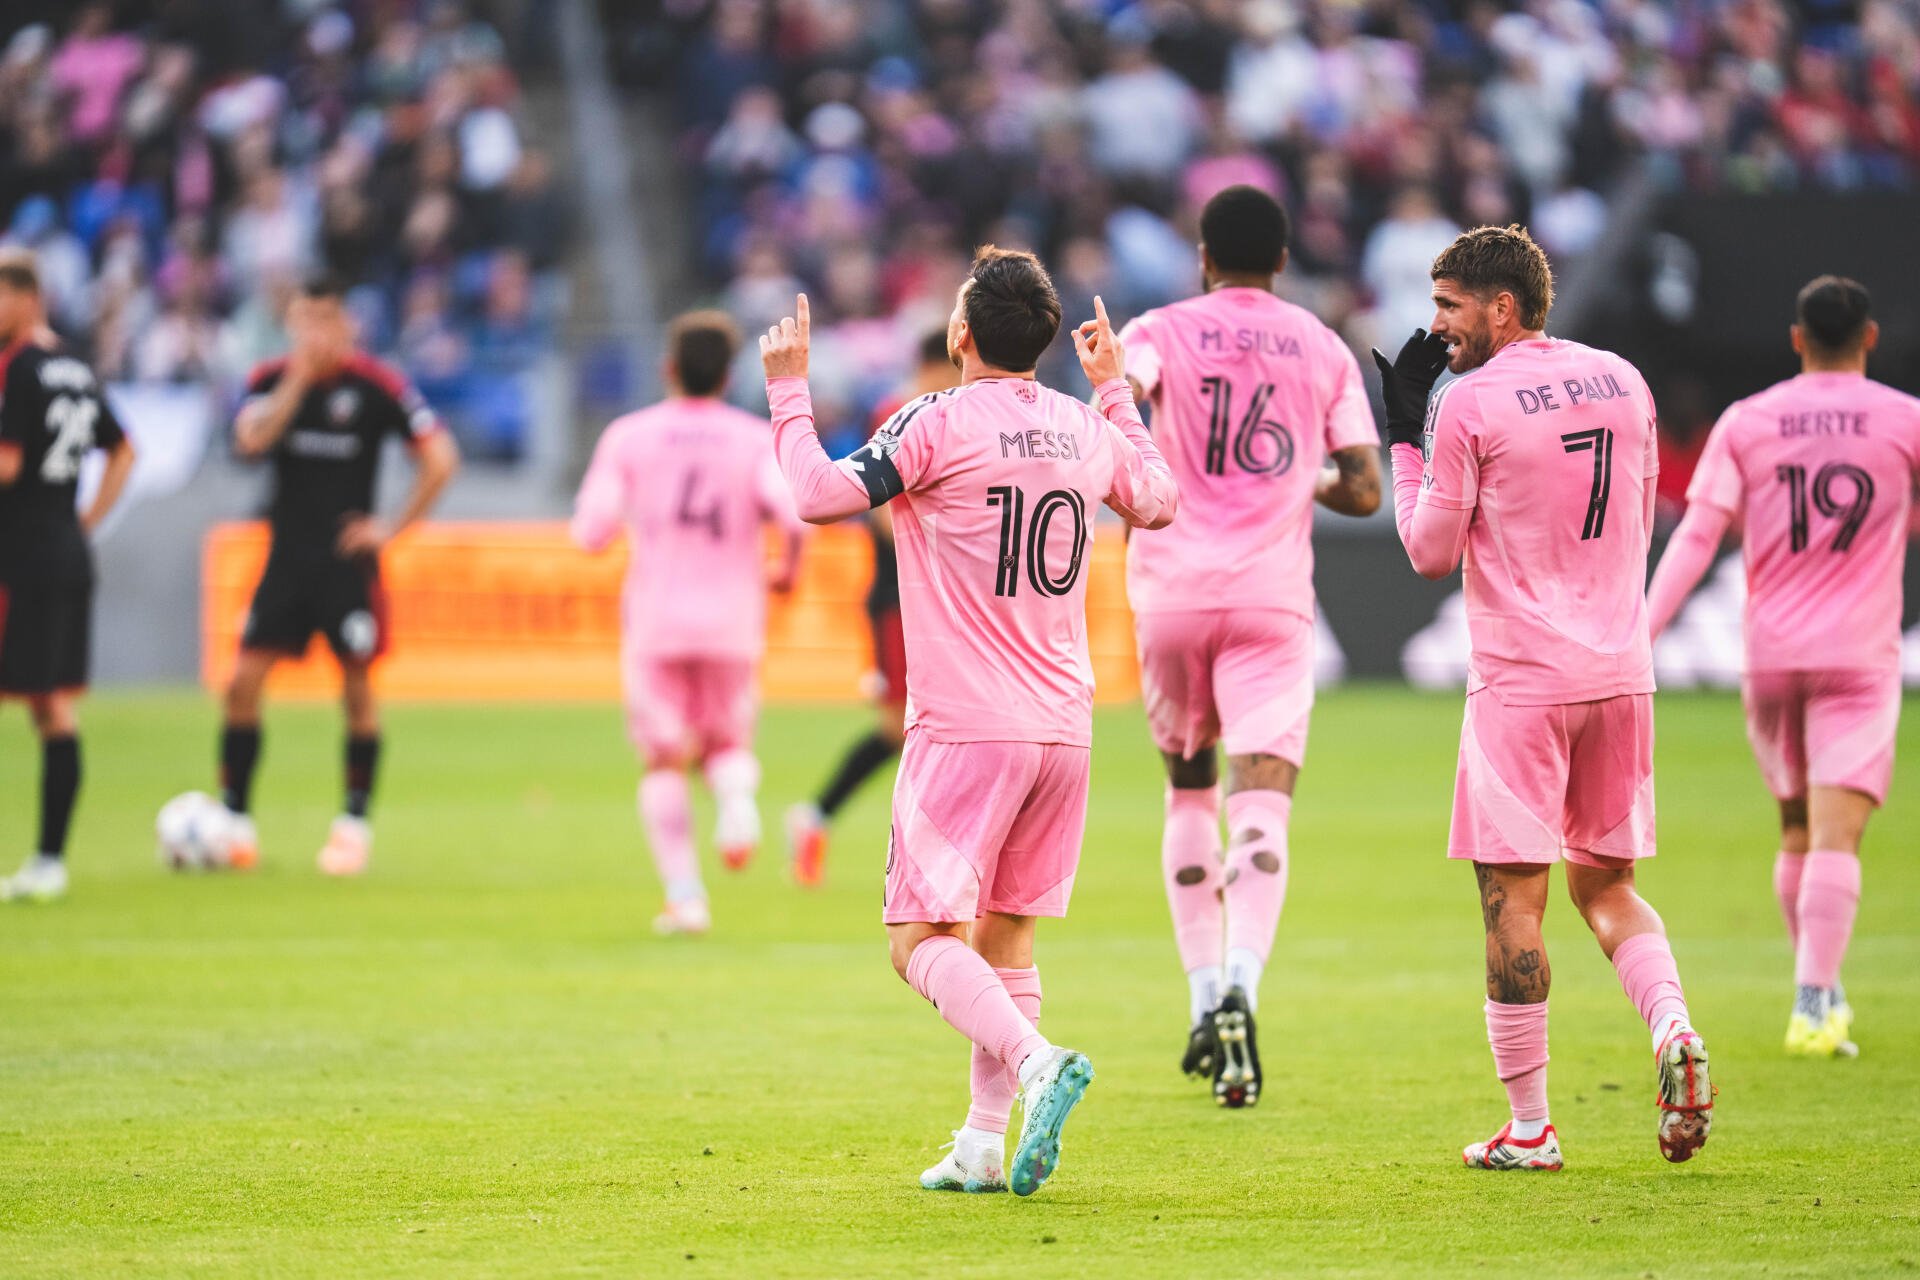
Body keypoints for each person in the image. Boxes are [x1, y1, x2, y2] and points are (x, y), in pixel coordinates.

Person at [760, 250, 1177, 1197]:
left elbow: (820, 497)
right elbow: (1160, 501)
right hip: (1065, 727)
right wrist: (1115, 391)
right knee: (1009, 938)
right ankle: (984, 1145)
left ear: (960, 336)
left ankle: (1036, 1065)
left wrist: (789, 394)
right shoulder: (1081, 425)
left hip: (964, 728)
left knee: (917, 940)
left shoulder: (935, 423)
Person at [1372, 224, 1714, 1170]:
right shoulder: (1622, 379)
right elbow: (1641, 513)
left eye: (1448, 306)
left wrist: (1407, 436)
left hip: (1522, 683)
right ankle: (1674, 1028)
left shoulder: (1470, 403)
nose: (1435, 327)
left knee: (1509, 905)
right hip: (1619, 671)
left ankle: (1530, 1129)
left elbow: (1429, 551)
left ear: (1502, 307)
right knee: (1609, 887)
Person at [1116, 184, 1383, 1107]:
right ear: (1280, 261)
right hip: (1270, 600)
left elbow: (1120, 396)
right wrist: (1294, 473)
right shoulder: (1321, 345)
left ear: (1201, 256)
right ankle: (1241, 984)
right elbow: (1363, 489)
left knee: (1189, 789)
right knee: (1260, 802)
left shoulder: (1160, 326)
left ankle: (1199, 997)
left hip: (1171, 592)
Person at [1646, 275, 1920, 1059]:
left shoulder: (1749, 421)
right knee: (1839, 834)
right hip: (1858, 658)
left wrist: (1645, 630)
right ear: (1868, 339)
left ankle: (1822, 994)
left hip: (1770, 657)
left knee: (1796, 826)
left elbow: (1698, 537)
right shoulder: (1904, 420)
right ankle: (1813, 1002)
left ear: (1797, 340)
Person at [215, 273, 459, 876]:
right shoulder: (270, 381)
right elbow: (248, 442)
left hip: (347, 565)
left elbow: (440, 458)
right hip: (286, 558)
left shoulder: (377, 386)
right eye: (305, 321)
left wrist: (392, 527)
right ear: (291, 325)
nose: (316, 333)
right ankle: (236, 821)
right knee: (242, 684)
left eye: (327, 320)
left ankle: (353, 824)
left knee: (356, 687)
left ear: (346, 323)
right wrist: (297, 382)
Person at [572, 310, 805, 935]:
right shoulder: (755, 438)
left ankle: (685, 896)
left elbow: (591, 533)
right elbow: (793, 510)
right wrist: (790, 568)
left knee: (663, 760)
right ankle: (735, 800)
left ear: (667, 369)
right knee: (728, 745)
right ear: (729, 375)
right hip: (733, 619)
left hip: (657, 621)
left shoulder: (628, 436)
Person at [785, 329, 958, 887]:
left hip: (926, 598)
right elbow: (880, 509)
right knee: (901, 727)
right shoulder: (900, 410)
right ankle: (820, 817)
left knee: (926, 726)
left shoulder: (934, 410)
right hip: (898, 597)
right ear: (936, 367)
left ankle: (824, 818)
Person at [0, 250, 136, 902]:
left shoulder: (18, 368)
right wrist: (85, 520)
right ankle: (50, 861)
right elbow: (125, 448)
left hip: (17, 554)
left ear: (27, 296)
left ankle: (47, 862)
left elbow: (7, 465)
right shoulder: (76, 368)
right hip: (63, 548)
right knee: (52, 704)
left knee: (45, 702)